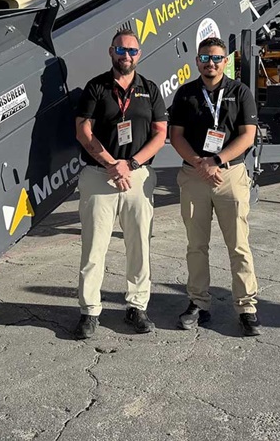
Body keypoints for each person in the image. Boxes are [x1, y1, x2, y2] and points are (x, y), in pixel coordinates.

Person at [73, 28, 168, 339]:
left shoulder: (149, 89)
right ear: (111, 52)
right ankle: (90, 311)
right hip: (100, 175)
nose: (126, 56)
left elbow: (160, 134)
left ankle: (137, 307)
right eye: (121, 50)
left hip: (137, 176)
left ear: (138, 55)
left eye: (132, 51)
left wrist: (132, 164)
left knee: (139, 244)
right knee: (94, 248)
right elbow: (83, 132)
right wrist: (111, 164)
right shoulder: (96, 87)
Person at [168, 37, 261, 337]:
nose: (211, 63)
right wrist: (200, 163)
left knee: (239, 245)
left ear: (226, 61)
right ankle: (198, 302)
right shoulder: (185, 94)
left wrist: (217, 160)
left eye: (217, 58)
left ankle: (246, 307)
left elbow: (247, 135)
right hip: (195, 175)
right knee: (196, 245)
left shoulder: (240, 92)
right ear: (197, 61)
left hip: (229, 175)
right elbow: (176, 136)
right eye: (205, 58)